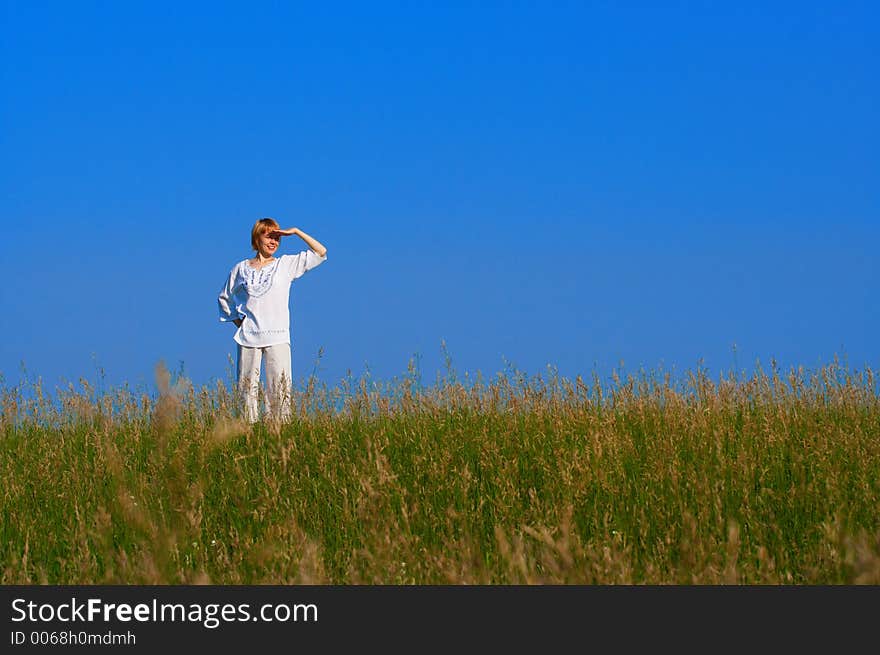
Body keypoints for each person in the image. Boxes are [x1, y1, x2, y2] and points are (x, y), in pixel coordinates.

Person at [218, 218, 328, 423]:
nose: (273, 241)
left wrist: (296, 231)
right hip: (248, 337)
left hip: (278, 336)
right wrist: (240, 323)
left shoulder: (285, 264)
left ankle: (279, 433)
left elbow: (321, 252)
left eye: (277, 237)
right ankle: (247, 432)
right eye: (268, 235)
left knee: (279, 388)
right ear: (256, 238)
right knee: (246, 388)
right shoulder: (241, 268)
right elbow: (224, 298)